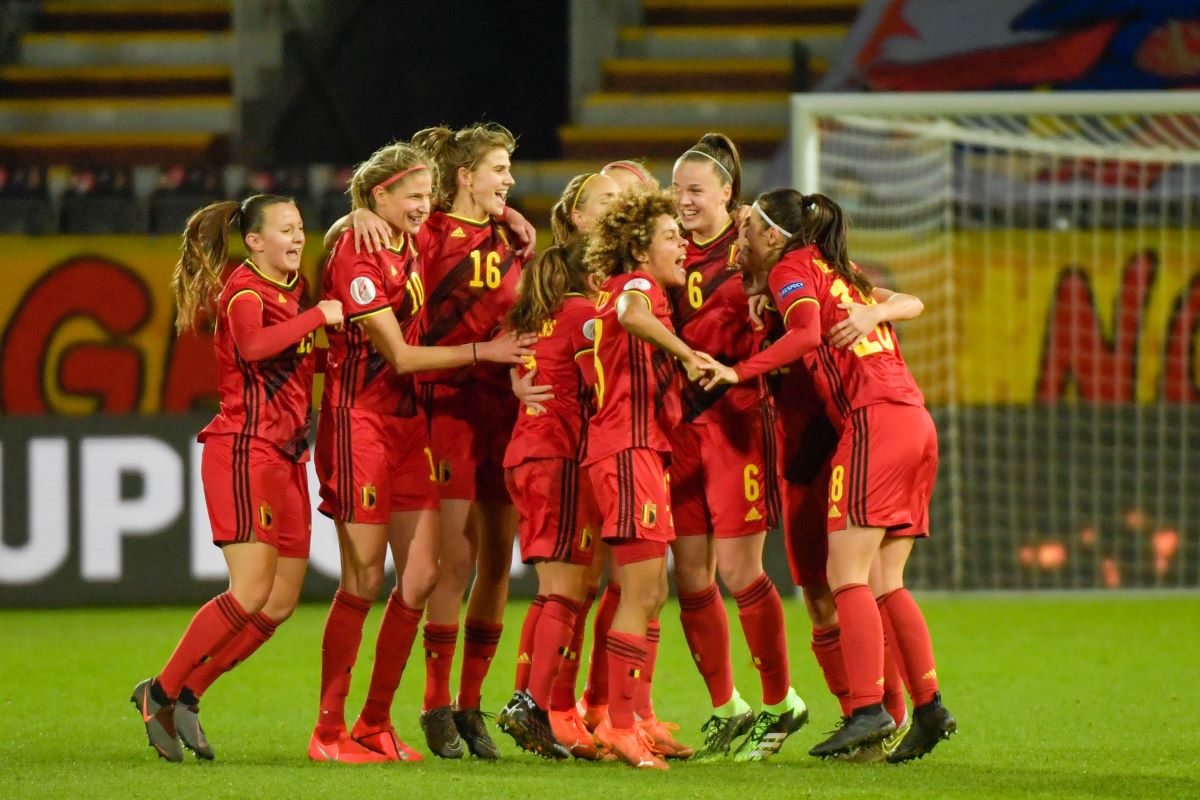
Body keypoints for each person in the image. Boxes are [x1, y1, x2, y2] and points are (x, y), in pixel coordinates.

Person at [700, 190, 956, 762]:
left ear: (771, 235)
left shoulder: (793, 267)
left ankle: (867, 709)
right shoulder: (841, 270)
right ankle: (930, 705)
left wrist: (737, 371)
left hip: (873, 422)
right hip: (916, 420)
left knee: (846, 575)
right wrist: (877, 310)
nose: (739, 238)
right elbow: (907, 301)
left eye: (749, 229)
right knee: (887, 580)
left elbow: (808, 335)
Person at [310, 141, 535, 763]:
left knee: (423, 573)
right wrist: (348, 215)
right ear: (378, 195)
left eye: (423, 194)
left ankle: (375, 723)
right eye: (408, 194)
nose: (420, 204)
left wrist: (515, 224)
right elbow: (403, 355)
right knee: (364, 575)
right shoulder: (378, 238)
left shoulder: (410, 240)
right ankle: (330, 730)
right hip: (367, 417)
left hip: (414, 419)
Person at [131, 195, 342, 762]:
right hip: (245, 450)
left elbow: (293, 360)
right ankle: (159, 690)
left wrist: (334, 352)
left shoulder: (288, 294)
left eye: (301, 228)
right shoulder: (246, 291)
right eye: (286, 229)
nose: (299, 238)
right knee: (249, 592)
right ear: (254, 241)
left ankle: (190, 694)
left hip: (287, 458)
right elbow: (252, 348)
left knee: (278, 603)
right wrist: (320, 317)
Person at [667, 134, 805, 762]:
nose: (683, 200)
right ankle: (728, 708)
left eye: (696, 190)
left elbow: (818, 274)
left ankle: (781, 704)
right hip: (675, 427)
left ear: (729, 194)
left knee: (740, 570)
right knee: (691, 576)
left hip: (738, 423)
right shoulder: (662, 244)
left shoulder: (756, 248)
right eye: (677, 189)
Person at [407, 122, 526, 759]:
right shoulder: (424, 236)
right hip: (448, 407)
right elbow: (364, 229)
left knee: (497, 559)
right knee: (454, 561)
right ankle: (434, 704)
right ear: (464, 176)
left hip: (505, 411)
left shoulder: (514, 238)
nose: (508, 181)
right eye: (499, 169)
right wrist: (353, 224)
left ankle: (471, 703)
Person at [581, 186, 705, 770]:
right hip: (626, 451)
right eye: (670, 237)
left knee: (653, 591)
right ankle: (620, 725)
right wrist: (685, 352)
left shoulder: (635, 291)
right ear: (640, 248)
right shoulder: (638, 288)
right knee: (640, 592)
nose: (682, 243)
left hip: (643, 451)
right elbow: (632, 314)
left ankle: (638, 718)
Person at [503, 173, 618, 761]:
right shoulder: (584, 317)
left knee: (556, 589)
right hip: (561, 456)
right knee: (568, 590)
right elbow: (602, 386)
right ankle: (535, 705)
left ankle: (529, 700)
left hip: (527, 453)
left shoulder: (543, 311)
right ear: (595, 276)